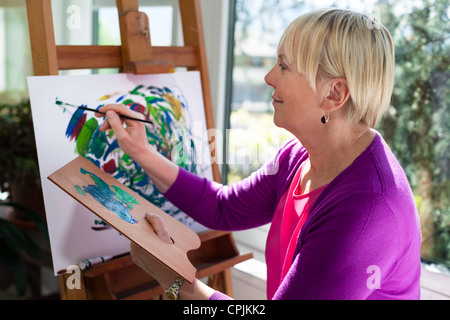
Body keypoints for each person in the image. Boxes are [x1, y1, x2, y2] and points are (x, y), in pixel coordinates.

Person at [97, 8, 421, 300]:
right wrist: (140, 151)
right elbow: (223, 208)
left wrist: (171, 278)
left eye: (284, 66)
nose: (269, 77)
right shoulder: (298, 156)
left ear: (333, 94)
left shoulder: (365, 210)